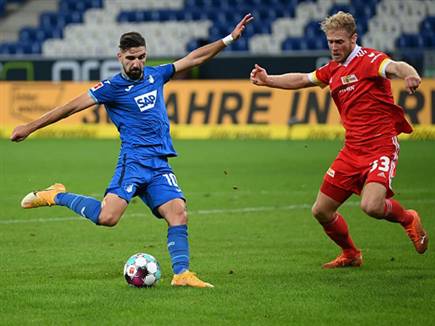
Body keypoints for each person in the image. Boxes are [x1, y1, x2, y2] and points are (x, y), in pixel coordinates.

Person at [11, 13, 254, 286]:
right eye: (131, 58)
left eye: (141, 57)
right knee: (107, 217)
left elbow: (194, 58)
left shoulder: (156, 75)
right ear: (119, 57)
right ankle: (57, 195)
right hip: (134, 161)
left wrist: (230, 38)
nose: (137, 63)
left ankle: (182, 274)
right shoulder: (111, 88)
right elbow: (69, 107)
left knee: (178, 212)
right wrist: (30, 127)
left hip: (160, 163)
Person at [250, 11, 428, 268]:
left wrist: (409, 73)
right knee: (321, 211)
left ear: (353, 38)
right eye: (331, 42)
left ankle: (408, 219)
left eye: (339, 42)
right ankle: (351, 254)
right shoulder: (333, 69)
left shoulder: (370, 60)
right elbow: (302, 79)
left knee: (372, 206)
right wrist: (268, 81)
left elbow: (396, 66)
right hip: (352, 150)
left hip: (380, 146)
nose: (334, 47)